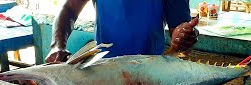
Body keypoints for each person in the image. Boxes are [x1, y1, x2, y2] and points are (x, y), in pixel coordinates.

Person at [46, 0, 199, 63]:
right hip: (102, 70)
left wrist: (184, 37)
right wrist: (57, 46)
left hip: (151, 71)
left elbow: (180, 36)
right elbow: (69, 9)